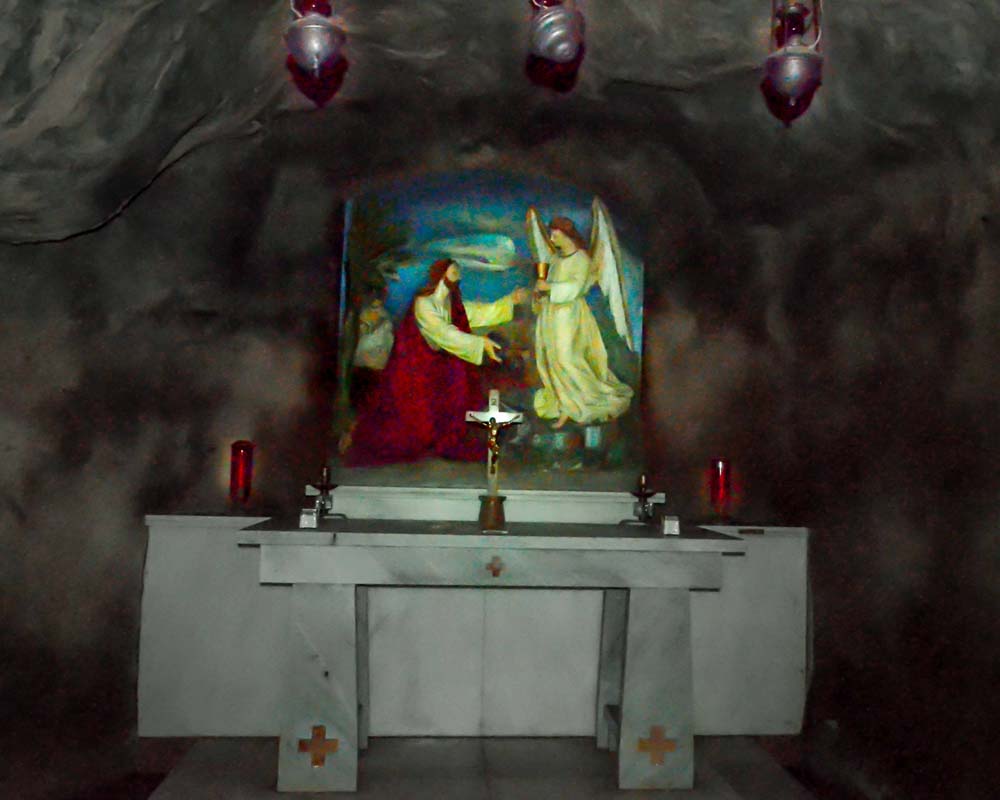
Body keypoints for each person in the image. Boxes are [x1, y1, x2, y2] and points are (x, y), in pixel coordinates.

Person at [344, 258, 530, 466]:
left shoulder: (451, 303)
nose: (458, 277)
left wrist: (509, 301)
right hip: (417, 369)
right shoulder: (424, 303)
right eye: (454, 272)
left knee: (456, 394)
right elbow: (443, 332)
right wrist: (479, 343)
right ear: (441, 274)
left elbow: (476, 313)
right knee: (411, 427)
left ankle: (445, 440)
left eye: (458, 273)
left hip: (438, 366)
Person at [533, 216, 633, 429]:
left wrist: (549, 288)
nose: (551, 238)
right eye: (550, 234)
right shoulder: (557, 260)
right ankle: (566, 406)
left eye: (555, 234)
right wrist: (541, 293)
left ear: (566, 234)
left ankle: (587, 402)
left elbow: (576, 287)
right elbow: (549, 287)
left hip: (570, 315)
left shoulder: (582, 259)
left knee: (567, 357)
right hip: (552, 315)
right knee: (552, 357)